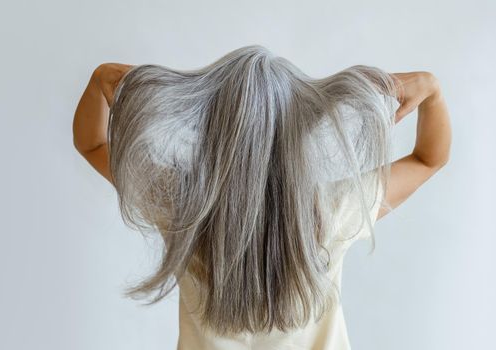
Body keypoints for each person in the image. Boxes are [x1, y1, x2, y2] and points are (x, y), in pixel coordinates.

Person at [73, 45, 451, 350]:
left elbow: (92, 144)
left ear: (212, 128)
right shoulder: (331, 210)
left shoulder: (181, 206)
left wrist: (99, 79)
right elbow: (428, 159)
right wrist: (430, 90)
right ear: (298, 131)